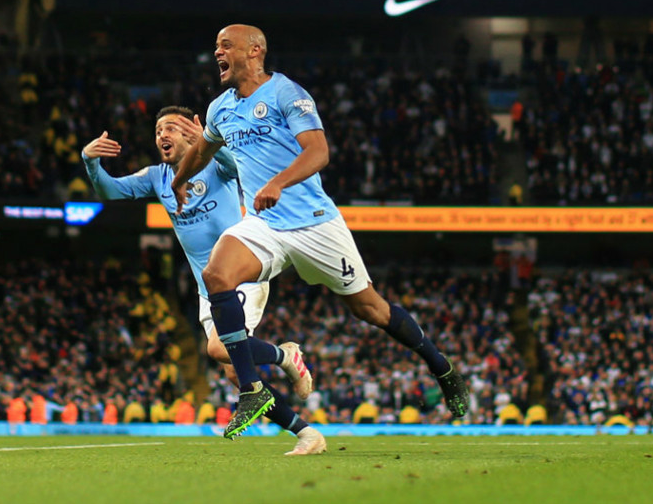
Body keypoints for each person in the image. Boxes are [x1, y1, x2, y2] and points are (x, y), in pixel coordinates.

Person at [170, 24, 469, 439]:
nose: (217, 52)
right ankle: (252, 389)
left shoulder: (286, 94)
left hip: (314, 222)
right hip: (264, 224)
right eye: (216, 46)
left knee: (371, 310)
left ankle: (444, 369)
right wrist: (178, 179)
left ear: (254, 51)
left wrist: (278, 183)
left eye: (226, 45)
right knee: (217, 274)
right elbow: (202, 151)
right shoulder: (220, 108)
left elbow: (319, 151)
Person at [82, 105, 326, 455]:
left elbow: (236, 167)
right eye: (157, 131)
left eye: (170, 128)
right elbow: (110, 191)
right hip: (208, 289)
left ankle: (285, 356)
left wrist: (211, 143)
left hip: (242, 272)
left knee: (217, 348)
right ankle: (306, 434)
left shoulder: (214, 164)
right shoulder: (157, 177)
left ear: (188, 134)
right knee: (234, 374)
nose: (162, 136)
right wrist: (90, 161)